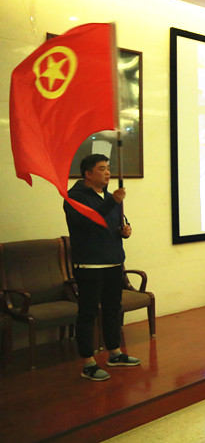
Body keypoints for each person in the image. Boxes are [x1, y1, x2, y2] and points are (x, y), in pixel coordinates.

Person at [64, 154, 140, 382]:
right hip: (90, 264)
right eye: (102, 168)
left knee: (112, 309)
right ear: (88, 173)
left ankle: (114, 353)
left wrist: (124, 231)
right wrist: (112, 202)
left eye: (108, 168)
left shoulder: (108, 197)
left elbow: (115, 223)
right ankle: (87, 362)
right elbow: (88, 221)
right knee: (88, 313)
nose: (108, 173)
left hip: (113, 262)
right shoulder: (74, 197)